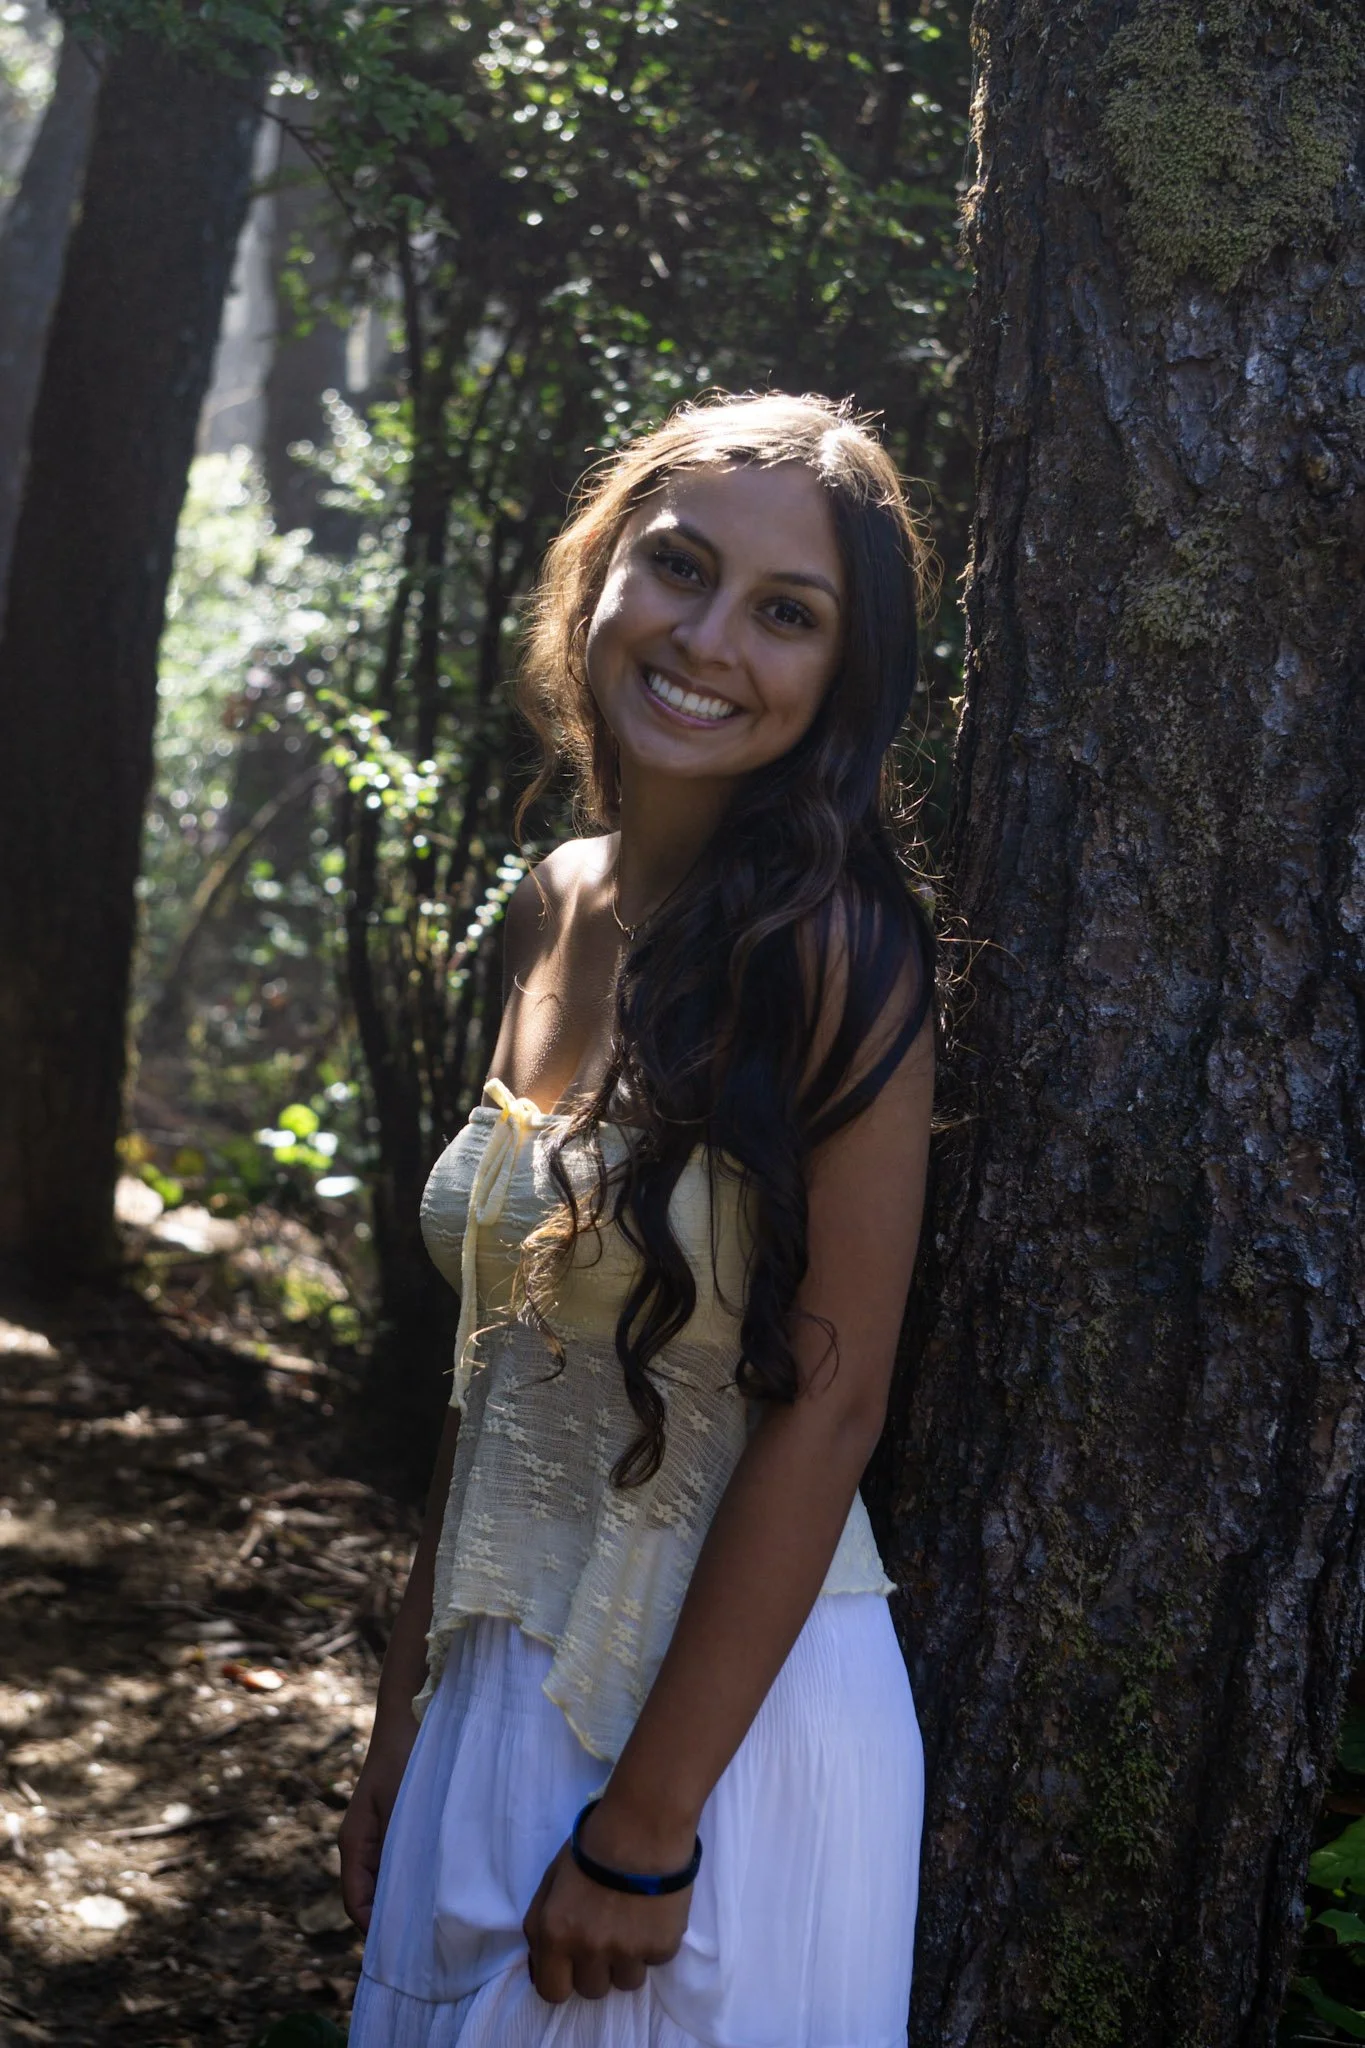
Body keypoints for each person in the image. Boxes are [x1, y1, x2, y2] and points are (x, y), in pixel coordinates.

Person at [341, 389, 939, 2047]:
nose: (709, 638)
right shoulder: (556, 902)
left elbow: (832, 1405)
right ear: (600, 574)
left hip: (718, 1753)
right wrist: (404, 1725)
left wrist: (650, 1833)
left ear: (840, 680)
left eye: (787, 613)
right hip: (490, 1692)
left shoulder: (832, 951)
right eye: (678, 567)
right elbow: (492, 1374)